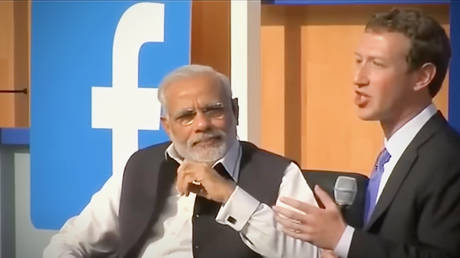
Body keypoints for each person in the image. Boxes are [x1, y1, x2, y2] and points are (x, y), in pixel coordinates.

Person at [43, 64, 319, 258]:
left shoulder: (280, 174)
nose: (202, 124)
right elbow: (69, 242)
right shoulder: (139, 167)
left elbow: (310, 254)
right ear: (167, 126)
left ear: (235, 111)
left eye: (214, 110)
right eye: (187, 116)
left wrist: (230, 195)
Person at [273, 8, 460, 258]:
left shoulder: (448, 159)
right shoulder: (395, 153)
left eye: (377, 64)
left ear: (422, 77)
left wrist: (344, 239)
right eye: (359, 61)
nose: (359, 78)